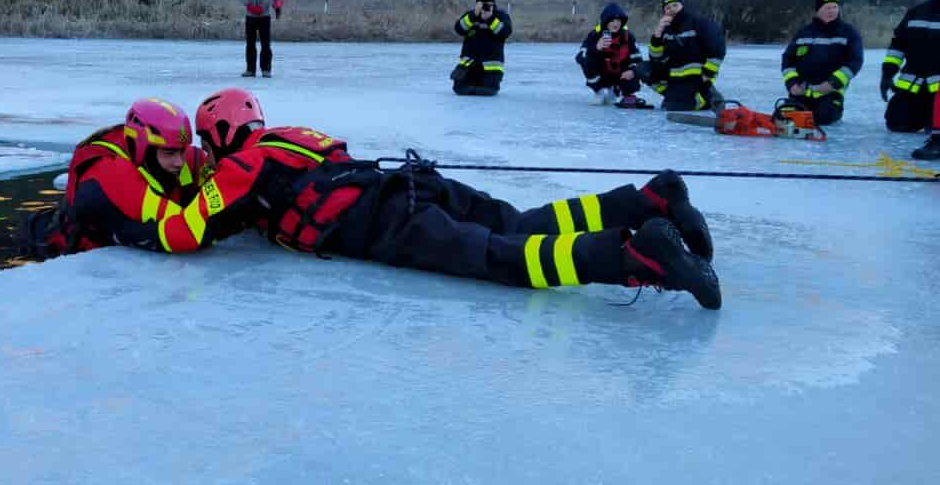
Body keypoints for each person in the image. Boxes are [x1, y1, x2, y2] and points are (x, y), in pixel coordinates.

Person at [104, 89, 722, 310]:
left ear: (219, 134)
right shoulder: (297, 138)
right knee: (520, 220)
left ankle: (634, 259)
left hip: (380, 218)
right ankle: (648, 200)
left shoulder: (245, 160)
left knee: (505, 256)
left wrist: (131, 225)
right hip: (408, 184)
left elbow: (185, 231)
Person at [19, 98, 205, 257]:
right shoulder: (111, 174)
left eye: (182, 151)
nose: (180, 162)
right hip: (55, 252)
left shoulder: (173, 156)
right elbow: (187, 228)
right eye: (170, 153)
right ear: (143, 148)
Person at [779, 0, 864, 126]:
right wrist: (791, 84)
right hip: (801, 93)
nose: (831, 11)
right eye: (827, 8)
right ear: (818, 10)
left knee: (821, 118)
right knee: (786, 118)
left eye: (834, 7)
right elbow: (787, 60)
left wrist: (832, 84)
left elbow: (855, 61)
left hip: (830, 93)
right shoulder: (804, 32)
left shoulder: (849, 32)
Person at [882, 0, 940, 149]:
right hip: (913, 86)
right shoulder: (916, 12)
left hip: (939, 92)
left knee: (935, 127)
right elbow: (898, 44)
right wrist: (887, 74)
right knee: (896, 123)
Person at [639, 0, 725, 111]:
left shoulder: (698, 21)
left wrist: (708, 73)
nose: (672, 9)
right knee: (642, 68)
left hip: (697, 76)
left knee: (677, 107)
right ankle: (673, 96)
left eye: (675, 5)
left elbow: (717, 47)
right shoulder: (665, 29)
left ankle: (705, 97)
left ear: (682, 6)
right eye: (668, 8)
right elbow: (656, 58)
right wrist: (657, 34)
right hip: (675, 77)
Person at [575, 2, 647, 107]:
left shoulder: (628, 36)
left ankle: (616, 91)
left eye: (618, 20)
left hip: (620, 73)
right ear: (605, 22)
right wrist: (596, 48)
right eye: (612, 20)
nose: (615, 23)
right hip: (602, 73)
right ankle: (599, 91)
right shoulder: (594, 35)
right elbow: (579, 57)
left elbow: (637, 59)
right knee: (587, 60)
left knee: (634, 72)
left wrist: (632, 70)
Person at [451, 0, 510, 96]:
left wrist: (490, 19)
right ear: (477, 4)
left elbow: (505, 32)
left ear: (493, 4)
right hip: (469, 66)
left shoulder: (501, 16)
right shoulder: (471, 16)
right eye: (482, 4)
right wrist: (473, 16)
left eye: (488, 4)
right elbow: (459, 29)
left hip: (491, 69)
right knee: (460, 88)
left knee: (486, 90)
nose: (485, 7)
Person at [238, 0, 279, 78]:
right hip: (250, 16)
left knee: (265, 44)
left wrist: (262, 7)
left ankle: (266, 69)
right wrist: (249, 5)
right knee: (250, 44)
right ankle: (250, 70)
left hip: (264, 16)